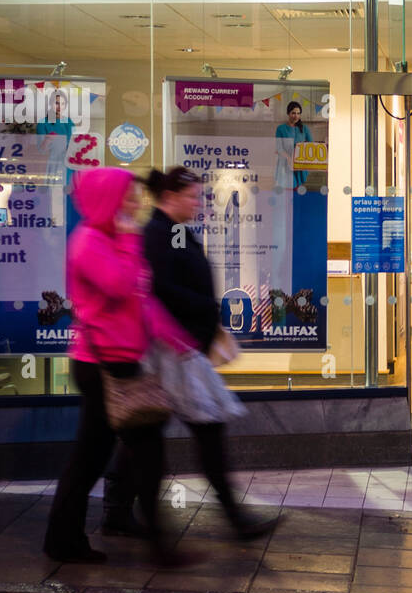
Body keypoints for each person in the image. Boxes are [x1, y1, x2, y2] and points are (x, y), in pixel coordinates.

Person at [101, 166, 278, 541]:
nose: (199, 203)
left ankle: (118, 511)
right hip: (171, 350)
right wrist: (204, 308)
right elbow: (161, 289)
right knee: (202, 428)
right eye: (192, 196)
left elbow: (184, 275)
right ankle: (230, 518)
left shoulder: (176, 231)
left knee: (147, 433)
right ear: (170, 198)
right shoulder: (155, 234)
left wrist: (205, 311)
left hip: (182, 347)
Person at [42, 167, 197, 566]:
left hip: (121, 361)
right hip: (103, 365)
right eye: (127, 196)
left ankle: (68, 537)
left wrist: (174, 337)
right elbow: (119, 285)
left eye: (134, 196)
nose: (134, 203)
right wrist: (129, 238)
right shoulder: (90, 242)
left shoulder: (110, 239)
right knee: (137, 453)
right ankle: (155, 546)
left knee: (98, 455)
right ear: (107, 199)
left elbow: (141, 301)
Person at [274, 99, 314, 188]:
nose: (296, 116)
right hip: (286, 163)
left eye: (298, 113)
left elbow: (311, 145)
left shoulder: (305, 129)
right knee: (288, 190)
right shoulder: (280, 129)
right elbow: (279, 148)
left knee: (299, 190)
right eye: (293, 113)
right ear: (288, 113)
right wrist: (289, 158)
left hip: (300, 164)